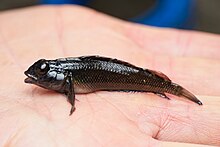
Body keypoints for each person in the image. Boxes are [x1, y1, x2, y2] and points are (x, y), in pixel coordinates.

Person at [0, 5, 219, 146]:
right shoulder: (65, 73)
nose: (34, 78)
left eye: (42, 73)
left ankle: (171, 88)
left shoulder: (68, 76)